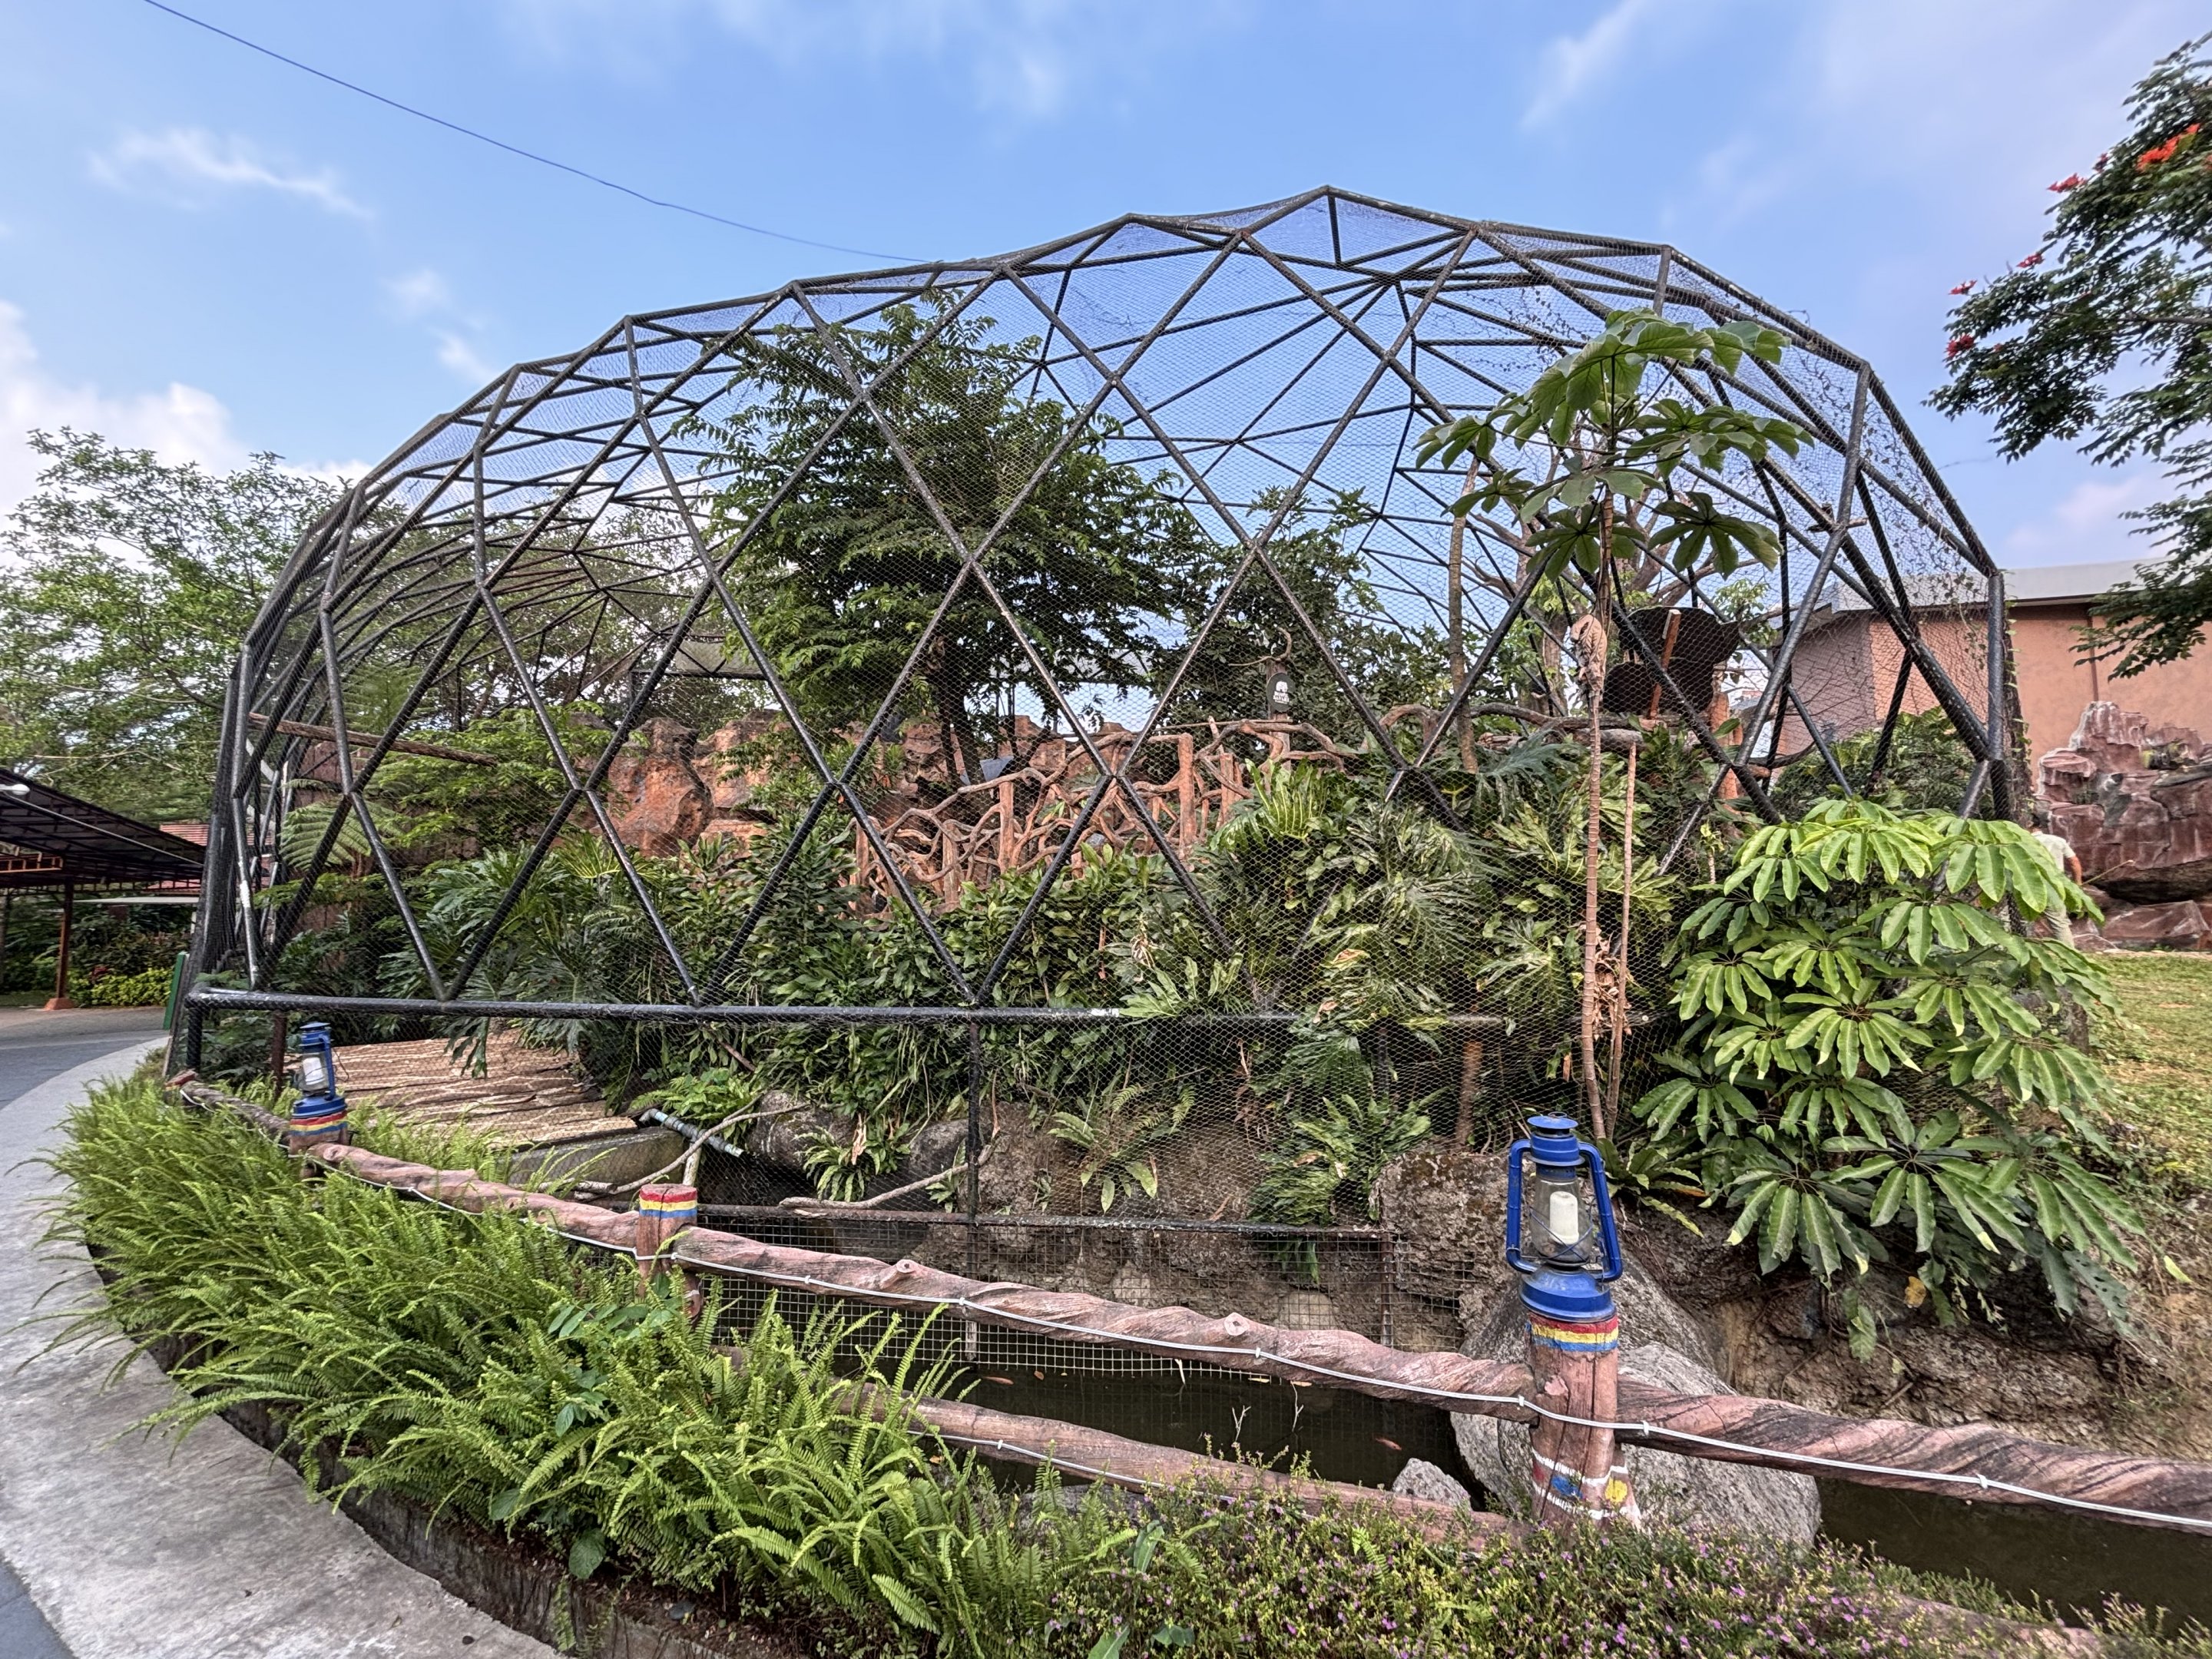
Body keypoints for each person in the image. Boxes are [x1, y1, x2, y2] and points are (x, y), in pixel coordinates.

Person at [2029, 806, 2082, 947]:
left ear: (2029, 824)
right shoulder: (2058, 840)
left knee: (2021, 918)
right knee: (2059, 922)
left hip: (2027, 882)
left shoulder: (2021, 842)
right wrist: (2078, 883)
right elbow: (2074, 861)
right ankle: (2070, 952)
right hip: (2054, 882)